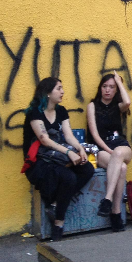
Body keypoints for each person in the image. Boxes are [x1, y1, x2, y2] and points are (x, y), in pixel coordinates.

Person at [22, 77, 94, 242]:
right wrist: (69, 154)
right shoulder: (35, 112)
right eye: (59, 88)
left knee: (87, 169)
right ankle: (59, 223)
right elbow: (44, 139)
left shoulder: (61, 111)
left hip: (57, 157)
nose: (62, 92)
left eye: (62, 88)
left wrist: (81, 149)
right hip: (39, 161)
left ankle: (54, 205)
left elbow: (68, 136)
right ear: (48, 92)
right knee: (68, 177)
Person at [86, 71, 132, 231]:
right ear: (100, 88)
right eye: (105, 86)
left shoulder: (117, 106)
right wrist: (109, 152)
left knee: (119, 153)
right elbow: (94, 134)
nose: (107, 90)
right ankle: (116, 213)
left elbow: (127, 101)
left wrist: (119, 81)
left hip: (121, 146)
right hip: (101, 148)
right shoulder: (92, 106)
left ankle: (107, 199)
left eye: (112, 87)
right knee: (122, 167)